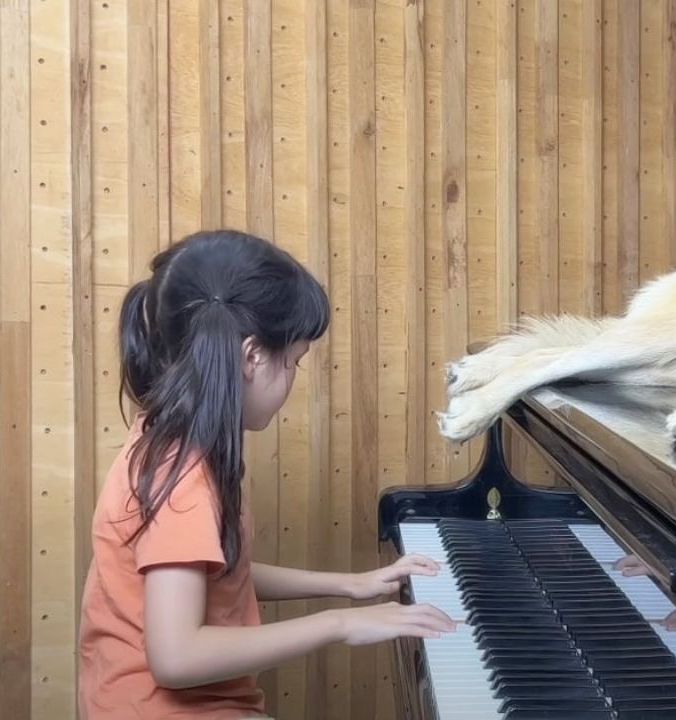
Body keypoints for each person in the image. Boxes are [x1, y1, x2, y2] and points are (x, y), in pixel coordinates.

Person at [78, 230, 455, 719]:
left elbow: (217, 574)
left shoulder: (168, 438)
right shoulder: (184, 477)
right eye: (294, 362)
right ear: (252, 356)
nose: (294, 380)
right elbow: (174, 658)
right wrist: (341, 624)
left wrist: (349, 584)